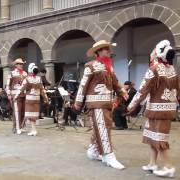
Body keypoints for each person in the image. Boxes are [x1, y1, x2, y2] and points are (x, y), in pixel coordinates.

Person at [127, 40, 178, 178]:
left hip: (157, 111)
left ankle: (169, 167)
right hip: (166, 110)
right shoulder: (172, 70)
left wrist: (131, 106)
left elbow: (143, 90)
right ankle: (152, 164)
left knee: (160, 140)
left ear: (158, 54)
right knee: (153, 138)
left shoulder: (154, 69)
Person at [73, 40, 128, 170]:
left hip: (107, 103)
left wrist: (122, 91)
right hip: (96, 103)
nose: (109, 51)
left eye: (108, 48)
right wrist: (77, 104)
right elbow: (83, 85)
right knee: (102, 128)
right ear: (98, 52)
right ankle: (109, 156)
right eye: (105, 49)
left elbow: (115, 82)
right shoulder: (90, 65)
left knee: (104, 127)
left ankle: (93, 150)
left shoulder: (109, 66)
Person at [15, 63, 48, 136]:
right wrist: (46, 98)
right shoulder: (39, 79)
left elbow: (21, 88)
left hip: (29, 100)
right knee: (33, 116)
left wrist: (16, 96)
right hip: (36, 99)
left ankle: (32, 130)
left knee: (29, 115)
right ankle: (34, 130)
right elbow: (42, 89)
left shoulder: (27, 78)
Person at [6, 58, 28, 134]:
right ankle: (16, 127)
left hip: (24, 94)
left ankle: (21, 126)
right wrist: (8, 94)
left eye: (22, 64)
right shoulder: (11, 73)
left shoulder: (25, 73)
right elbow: (8, 85)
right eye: (20, 64)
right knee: (17, 111)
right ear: (16, 65)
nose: (21, 65)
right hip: (15, 94)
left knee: (23, 111)